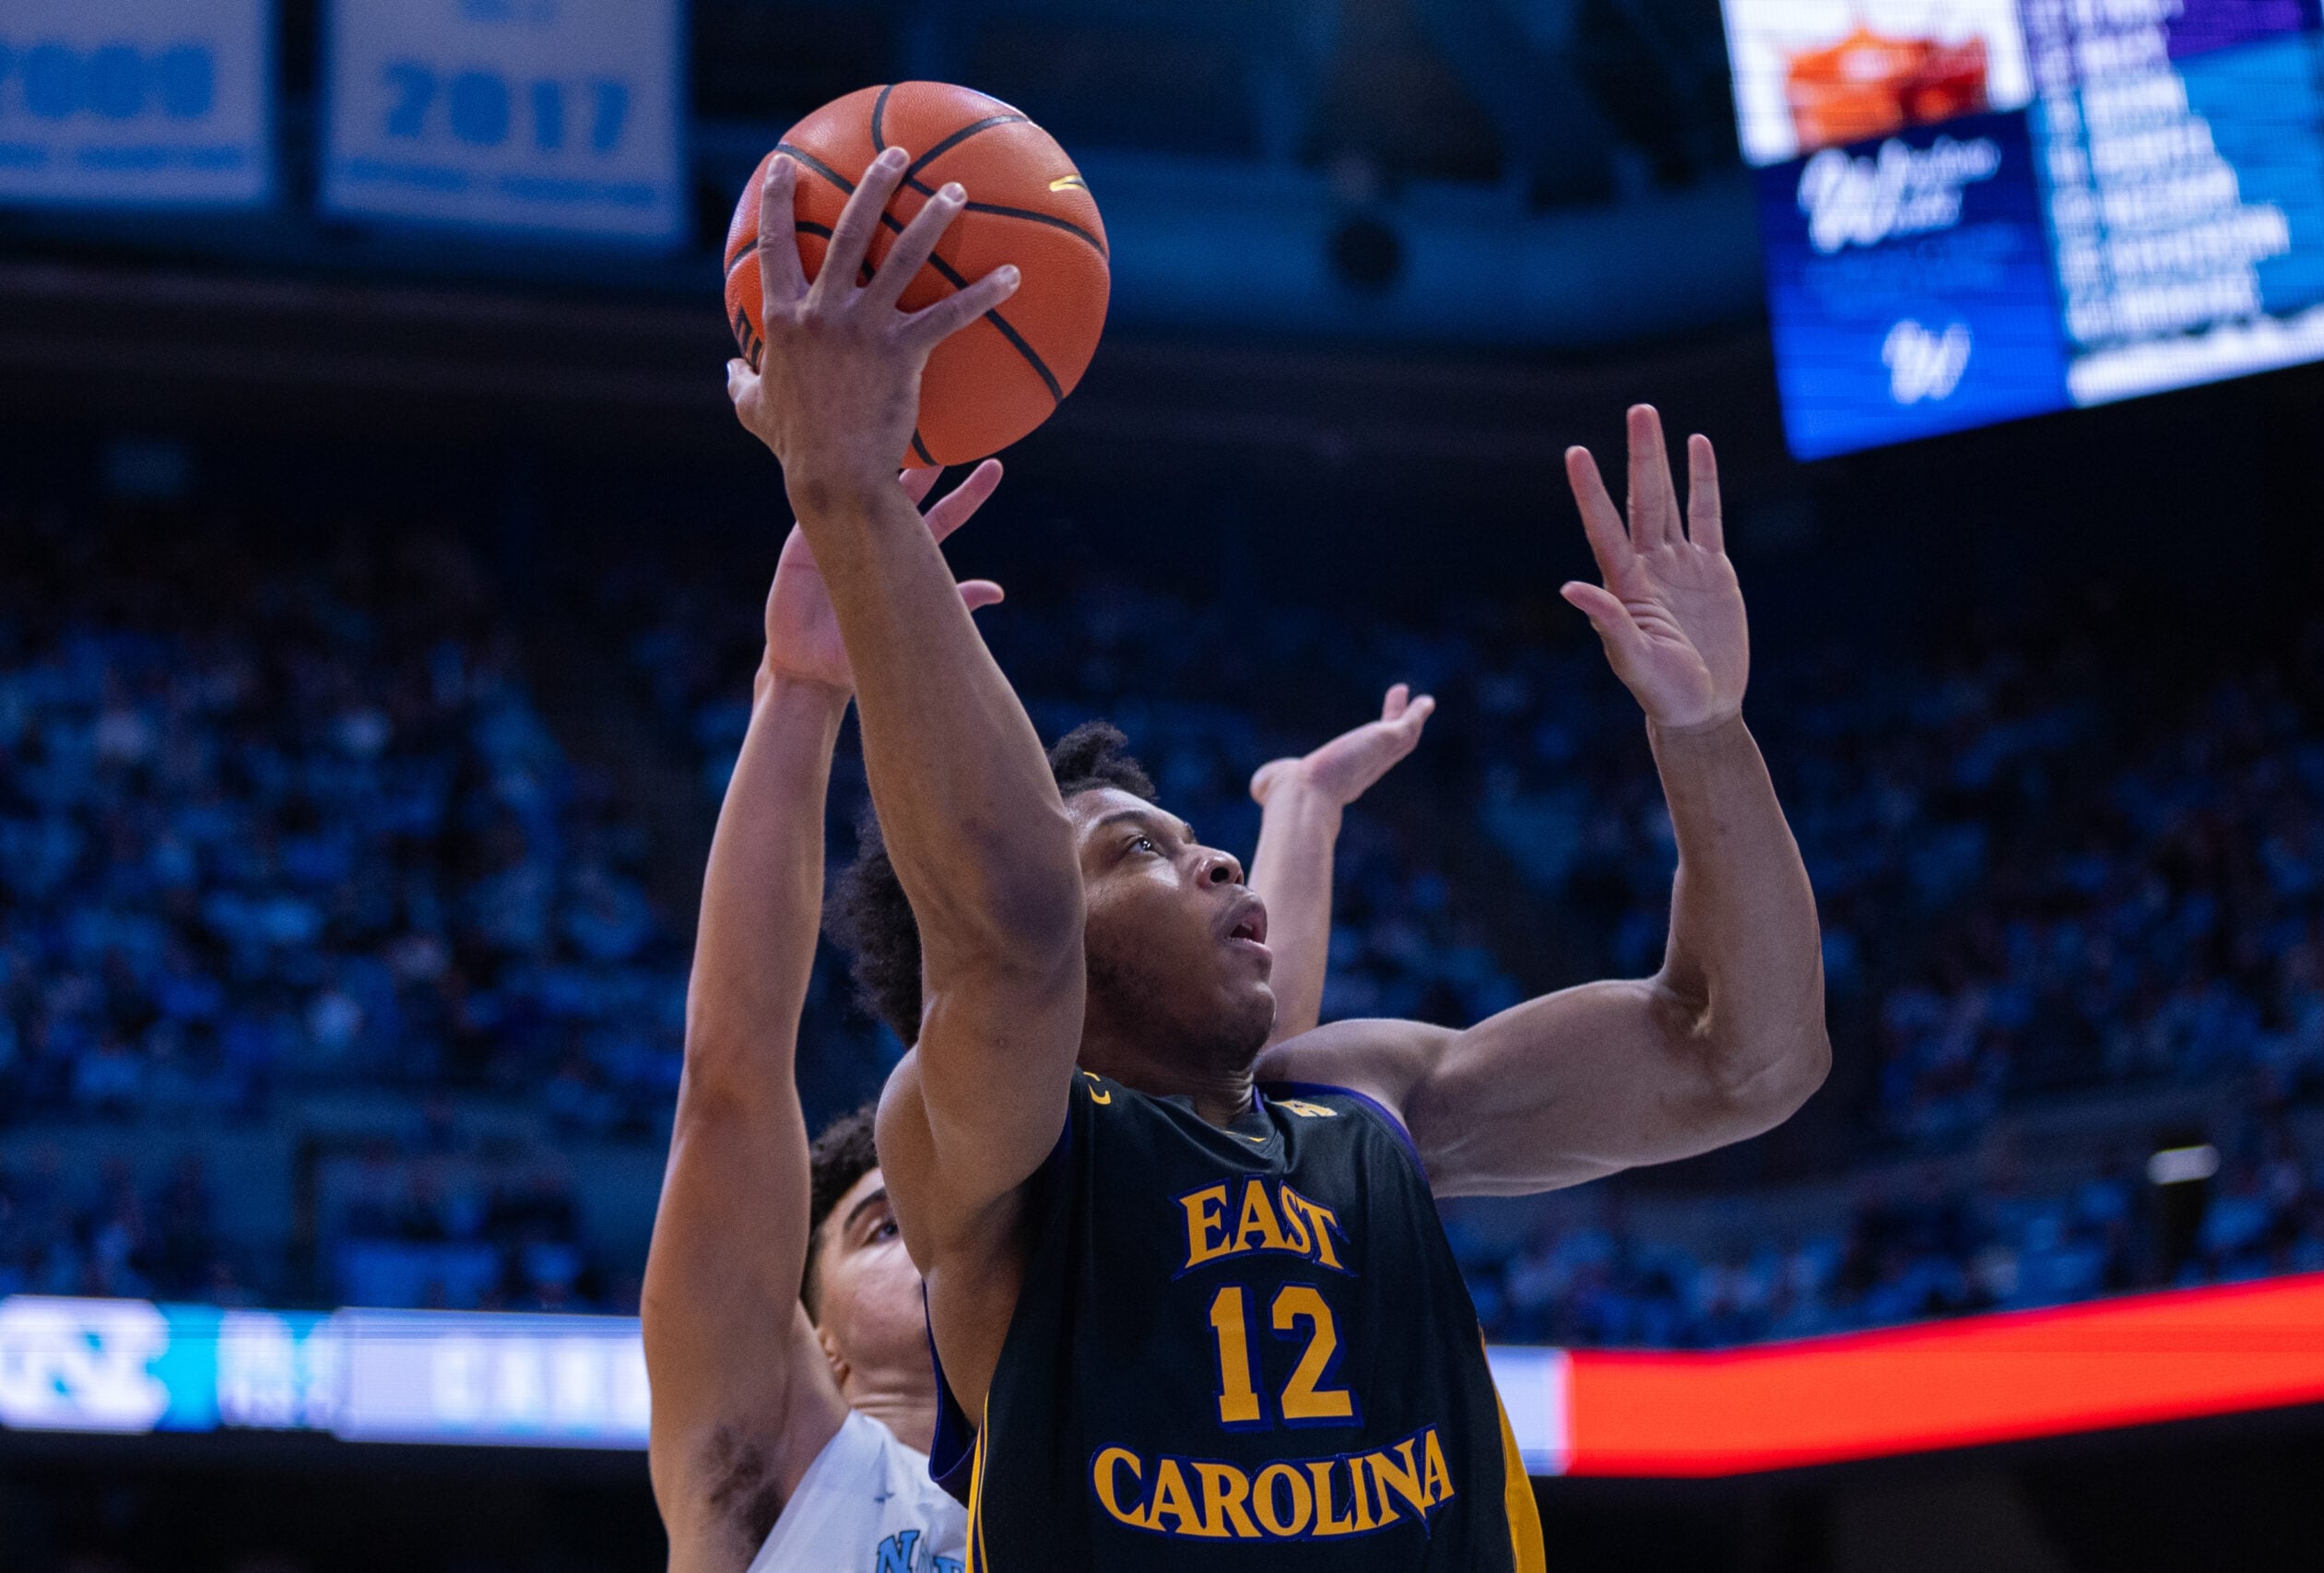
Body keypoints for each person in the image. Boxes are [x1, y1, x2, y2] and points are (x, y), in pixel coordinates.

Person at [726, 148, 1829, 1569]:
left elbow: (1746, 1053)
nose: (1222, 867)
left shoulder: (1369, 1100)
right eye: (1142, 847)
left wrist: (1708, 731)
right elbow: (1003, 928)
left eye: (1209, 842)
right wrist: (852, 495)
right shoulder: (992, 1149)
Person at [638, 455, 1434, 1573]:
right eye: (878, 1227)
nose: (923, 1230)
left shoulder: (1112, 1428)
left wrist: (1298, 813)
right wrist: (801, 692)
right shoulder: (773, 1471)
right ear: (815, 1329)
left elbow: (1231, 1069)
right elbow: (731, 1080)